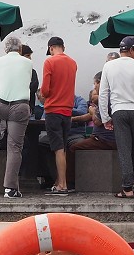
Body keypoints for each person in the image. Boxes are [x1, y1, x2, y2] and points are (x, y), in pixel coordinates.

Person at [99, 36, 134, 198]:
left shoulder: (109, 66)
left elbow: (103, 94)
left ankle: (127, 188)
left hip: (118, 111)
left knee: (124, 150)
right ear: (131, 50)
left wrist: (105, 117)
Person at [0, 33, 34, 198]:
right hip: (19, 107)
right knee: (15, 148)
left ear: (5, 49)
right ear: (20, 49)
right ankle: (10, 188)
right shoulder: (28, 63)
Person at [39, 36, 78, 195]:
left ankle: (62, 184)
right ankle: (59, 181)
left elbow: (46, 91)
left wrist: (41, 95)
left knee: (58, 148)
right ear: (63, 47)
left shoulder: (50, 62)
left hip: (53, 110)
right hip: (67, 111)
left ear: (50, 48)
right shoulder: (73, 63)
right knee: (62, 147)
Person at [66, 74, 117, 186]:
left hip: (104, 139)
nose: (94, 88)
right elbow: (88, 116)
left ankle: (70, 181)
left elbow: (97, 121)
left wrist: (92, 111)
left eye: (95, 84)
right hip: (112, 138)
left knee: (73, 148)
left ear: (100, 83)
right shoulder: (114, 96)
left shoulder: (105, 99)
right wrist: (72, 119)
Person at [21, 45, 42, 119]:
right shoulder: (14, 72)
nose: (30, 58)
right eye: (27, 55)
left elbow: (33, 87)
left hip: (29, 110)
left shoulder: (32, 72)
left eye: (30, 55)